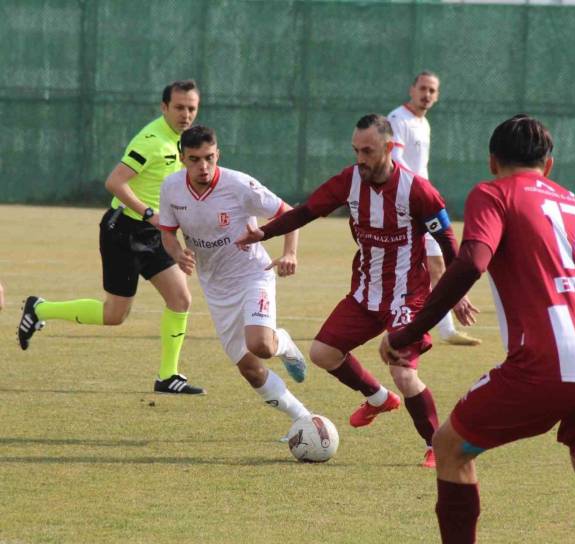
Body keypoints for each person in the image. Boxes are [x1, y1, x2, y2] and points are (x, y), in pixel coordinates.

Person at [380, 115, 575, 543]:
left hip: (547, 359)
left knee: (449, 447)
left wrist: (410, 331)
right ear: (549, 164)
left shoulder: (493, 193)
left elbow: (471, 260)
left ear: (492, 161)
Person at [236, 114, 477, 468]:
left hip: (408, 297)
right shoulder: (349, 181)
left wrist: (457, 293)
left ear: (390, 148)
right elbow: (306, 212)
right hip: (365, 293)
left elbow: (447, 239)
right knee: (322, 352)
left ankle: (437, 445)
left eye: (368, 151)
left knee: (404, 372)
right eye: (356, 150)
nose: (360, 158)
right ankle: (378, 398)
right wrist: (265, 234)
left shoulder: (418, 191)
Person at [18, 80, 205, 394]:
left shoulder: (186, 144)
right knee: (114, 315)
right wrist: (149, 214)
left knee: (181, 298)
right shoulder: (151, 141)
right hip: (124, 231)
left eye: (191, 108)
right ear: (164, 108)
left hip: (153, 233)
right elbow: (115, 182)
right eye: (179, 107)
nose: (185, 114)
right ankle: (40, 308)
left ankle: (167, 376)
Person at [159, 125, 310, 429]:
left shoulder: (240, 185)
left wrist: (290, 253)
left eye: (209, 158)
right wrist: (177, 253)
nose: (203, 166)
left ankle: (285, 344)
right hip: (215, 288)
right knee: (250, 369)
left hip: (253, 274)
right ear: (182, 158)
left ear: (218, 154)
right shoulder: (171, 188)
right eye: (194, 159)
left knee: (262, 345)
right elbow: (167, 232)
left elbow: (287, 213)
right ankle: (303, 419)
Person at [388, 71, 480, 346]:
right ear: (411, 89)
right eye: (423, 89)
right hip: (408, 203)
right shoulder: (397, 119)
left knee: (435, 263)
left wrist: (427, 190)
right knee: (415, 265)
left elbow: (419, 166)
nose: (427, 94)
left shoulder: (423, 122)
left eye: (432, 91)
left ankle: (445, 329)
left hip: (422, 202)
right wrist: (420, 189)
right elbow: (395, 159)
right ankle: (414, 322)